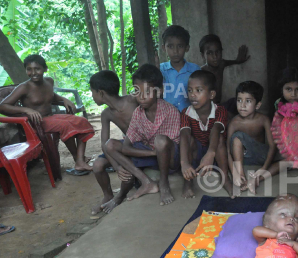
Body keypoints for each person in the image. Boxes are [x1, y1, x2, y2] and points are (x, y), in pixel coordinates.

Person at [0, 54, 95, 175]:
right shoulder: (24, 87)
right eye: (29, 69)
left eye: (37, 69)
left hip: (51, 117)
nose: (33, 73)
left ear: (45, 69)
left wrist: (64, 99)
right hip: (37, 122)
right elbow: (2, 106)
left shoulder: (49, 81)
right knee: (66, 125)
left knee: (82, 121)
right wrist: (27, 110)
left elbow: (50, 96)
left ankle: (79, 159)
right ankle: (79, 161)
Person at [104, 64, 181, 206]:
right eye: (137, 91)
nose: (141, 97)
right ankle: (146, 181)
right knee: (110, 144)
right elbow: (126, 147)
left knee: (161, 140)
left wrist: (155, 150)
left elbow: (170, 147)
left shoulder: (171, 111)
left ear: (159, 91)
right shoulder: (138, 114)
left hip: (170, 160)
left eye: (147, 92)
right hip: (152, 155)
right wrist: (153, 152)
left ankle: (164, 184)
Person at [89, 70, 139, 214]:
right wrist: (117, 167)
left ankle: (120, 196)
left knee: (128, 175)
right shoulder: (106, 114)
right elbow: (104, 144)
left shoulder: (132, 100)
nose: (92, 96)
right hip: (124, 146)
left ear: (101, 93)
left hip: (141, 145)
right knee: (98, 165)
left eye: (92, 92)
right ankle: (107, 195)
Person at [179, 70, 233, 198]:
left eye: (198, 90)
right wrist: (184, 163)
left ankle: (225, 177)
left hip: (215, 155)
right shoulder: (186, 112)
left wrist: (210, 153)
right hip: (197, 155)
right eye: (190, 90)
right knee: (189, 139)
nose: (193, 95)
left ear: (211, 94)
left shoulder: (220, 110)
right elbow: (184, 136)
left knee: (219, 137)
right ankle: (188, 181)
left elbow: (216, 129)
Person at [227, 81, 282, 194]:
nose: (242, 105)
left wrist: (263, 168)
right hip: (243, 157)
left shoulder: (263, 119)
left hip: (260, 154)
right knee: (237, 137)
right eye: (239, 100)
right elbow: (227, 150)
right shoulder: (234, 122)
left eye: (248, 101)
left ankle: (257, 179)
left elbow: (272, 146)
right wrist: (235, 174)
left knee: (290, 159)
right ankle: (242, 175)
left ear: (257, 105)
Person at [199, 34, 250, 110]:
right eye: (210, 53)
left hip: (219, 104)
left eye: (218, 51)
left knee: (239, 102)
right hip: (208, 108)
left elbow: (227, 62)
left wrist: (237, 61)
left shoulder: (221, 64)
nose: (215, 56)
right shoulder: (201, 72)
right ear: (203, 55)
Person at [160, 25, 201, 112]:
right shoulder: (160, 70)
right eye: (170, 46)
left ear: (187, 48)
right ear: (164, 48)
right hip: (166, 119)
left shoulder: (195, 70)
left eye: (180, 46)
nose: (175, 51)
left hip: (191, 117)